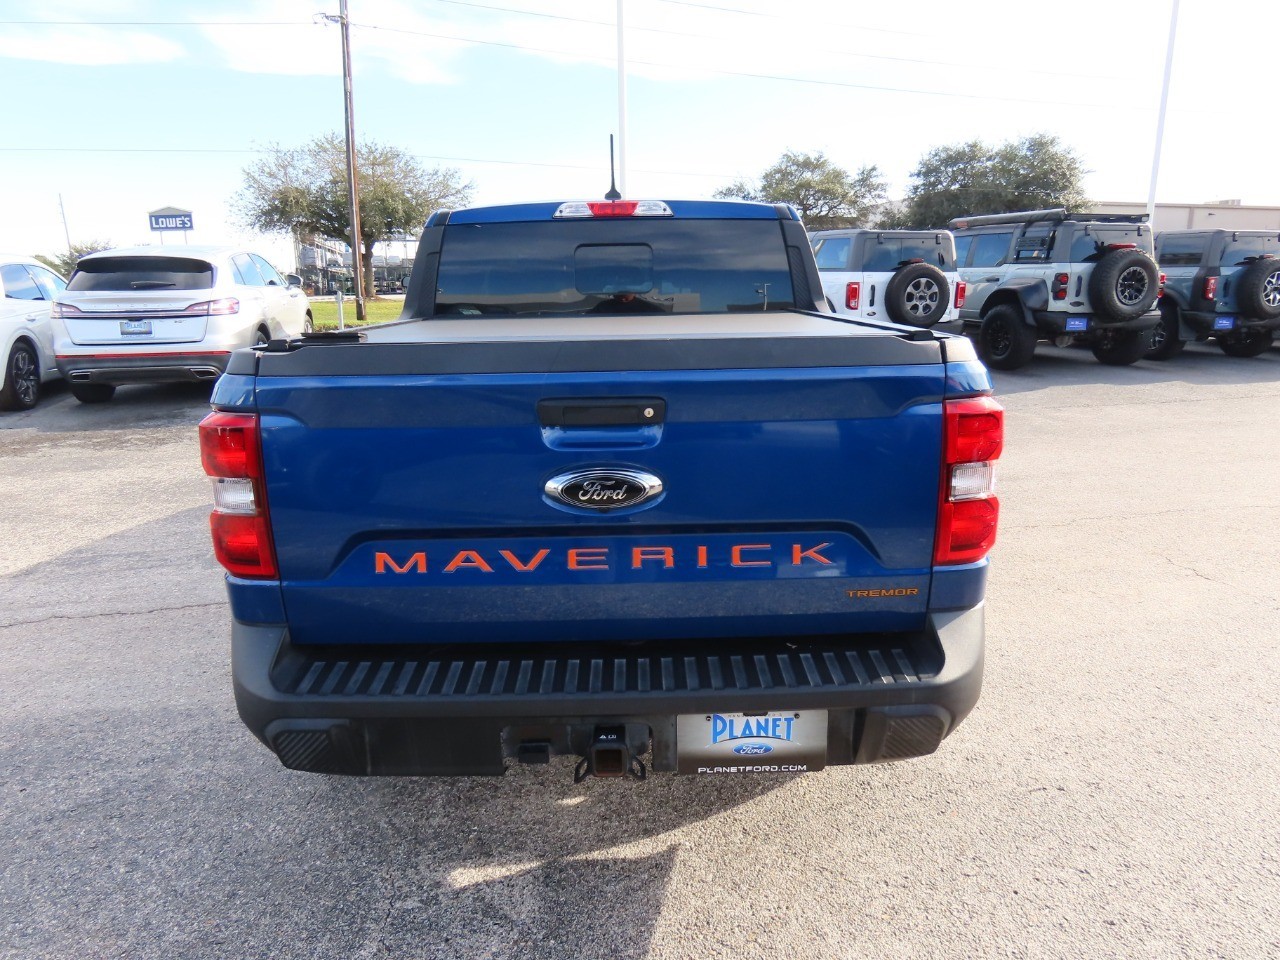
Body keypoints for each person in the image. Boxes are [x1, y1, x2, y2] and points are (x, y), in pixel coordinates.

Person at [589, 291, 664, 314]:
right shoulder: (602, 308)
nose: (623, 299)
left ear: (634, 292)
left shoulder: (651, 311)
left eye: (626, 292)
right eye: (619, 292)